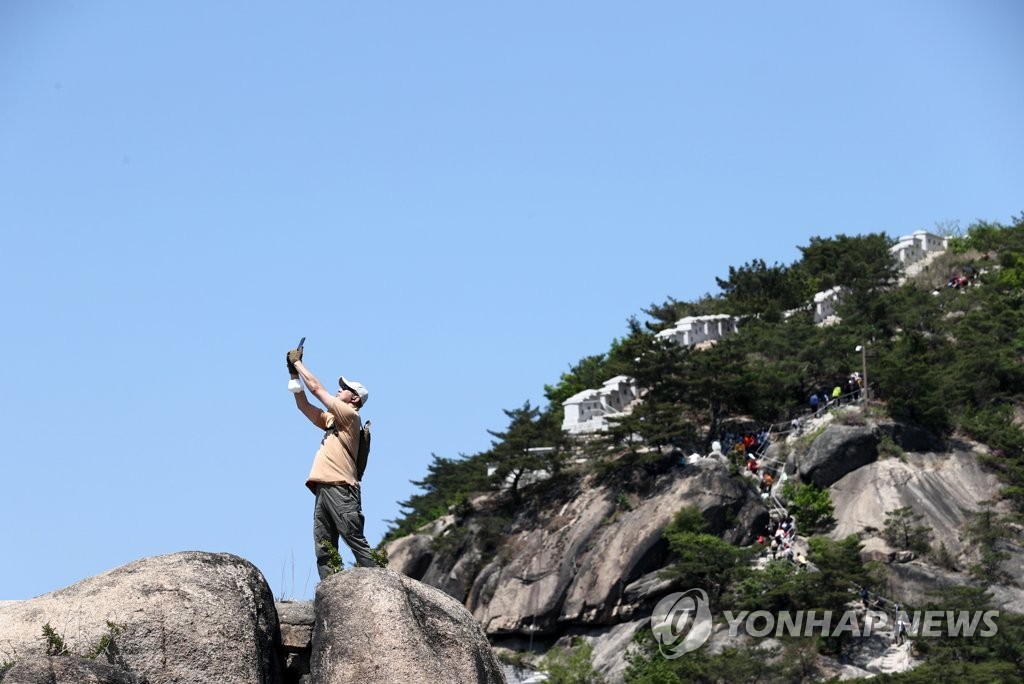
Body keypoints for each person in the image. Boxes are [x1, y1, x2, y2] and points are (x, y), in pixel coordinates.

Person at [287, 347, 379, 577]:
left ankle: (380, 580)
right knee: (324, 545)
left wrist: (298, 364)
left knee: (353, 538)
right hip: (324, 488)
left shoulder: (350, 416)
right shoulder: (333, 420)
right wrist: (293, 375)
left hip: (341, 488)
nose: (340, 389)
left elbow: (317, 389)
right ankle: (330, 589)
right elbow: (304, 406)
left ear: (355, 398)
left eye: (345, 388)